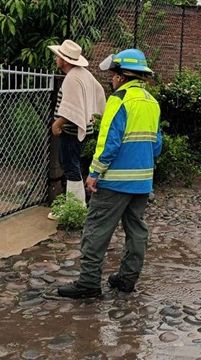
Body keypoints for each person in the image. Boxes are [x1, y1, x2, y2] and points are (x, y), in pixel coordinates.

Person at [57, 48, 162, 299]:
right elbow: (156, 145)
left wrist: (94, 173)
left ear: (122, 76)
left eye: (113, 75)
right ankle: (126, 280)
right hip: (142, 181)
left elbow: (108, 143)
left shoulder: (119, 100)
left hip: (114, 181)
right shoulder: (152, 103)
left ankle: (89, 282)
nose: (112, 80)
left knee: (96, 229)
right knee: (136, 230)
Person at [47, 39, 106, 219]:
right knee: (72, 165)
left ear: (64, 60)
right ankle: (76, 205)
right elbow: (98, 92)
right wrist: (93, 113)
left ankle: (75, 208)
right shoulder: (83, 73)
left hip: (72, 130)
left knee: (69, 165)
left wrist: (57, 123)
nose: (56, 59)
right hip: (82, 126)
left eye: (58, 56)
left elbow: (71, 107)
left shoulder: (72, 78)